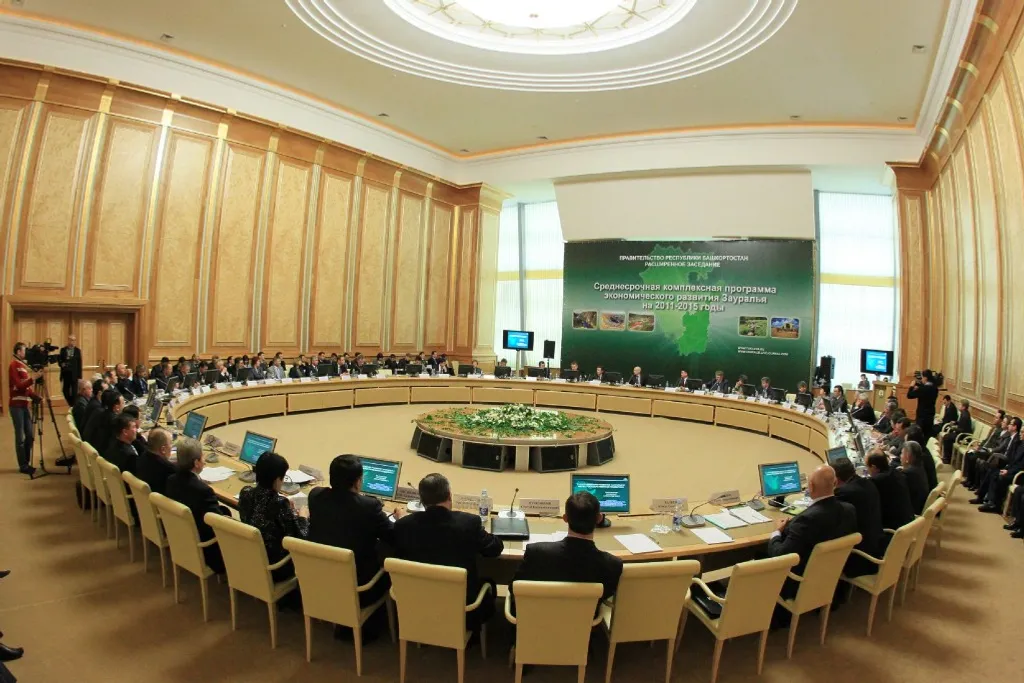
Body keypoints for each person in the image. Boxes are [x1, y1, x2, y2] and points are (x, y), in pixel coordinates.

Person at [392, 473, 503, 630]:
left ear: (421, 500)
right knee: (488, 583)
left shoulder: (404, 526)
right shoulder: (468, 523)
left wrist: (403, 519)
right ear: (450, 495)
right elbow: (495, 549)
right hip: (463, 612)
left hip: (417, 607)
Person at [307, 455, 404, 608]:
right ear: (358, 482)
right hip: (360, 590)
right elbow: (393, 536)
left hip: (320, 583)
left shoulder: (315, 495)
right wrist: (400, 519)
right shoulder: (369, 506)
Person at [510, 492, 623, 613]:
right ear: (599, 518)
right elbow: (605, 595)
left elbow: (514, 588)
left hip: (534, 619)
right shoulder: (613, 565)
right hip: (583, 622)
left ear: (565, 518)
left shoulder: (536, 553)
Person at [764, 465, 857, 599]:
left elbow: (781, 555)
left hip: (797, 584)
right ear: (835, 483)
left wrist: (776, 532)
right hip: (830, 578)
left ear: (811, 487)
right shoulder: (850, 510)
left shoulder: (806, 520)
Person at [238, 452, 308, 582]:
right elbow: (301, 537)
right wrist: (303, 517)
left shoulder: (245, 492)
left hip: (250, 558)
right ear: (277, 480)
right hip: (275, 567)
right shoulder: (279, 504)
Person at [165, 438, 230, 573]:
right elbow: (217, 524)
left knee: (225, 510)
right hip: (206, 549)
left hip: (181, 538)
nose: (204, 461)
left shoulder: (171, 480)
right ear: (196, 463)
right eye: (202, 458)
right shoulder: (203, 491)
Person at [832, 457, 883, 576]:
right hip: (876, 547)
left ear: (835, 478)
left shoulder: (844, 492)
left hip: (860, 557)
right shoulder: (868, 483)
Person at [976, 417, 1024, 514]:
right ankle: (986, 499)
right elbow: (1013, 460)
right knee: (992, 470)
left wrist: (1008, 470)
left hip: (1019, 474)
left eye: (1022, 432)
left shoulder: (1018, 442)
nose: (1020, 433)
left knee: (999, 476)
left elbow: (1020, 465)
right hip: (1011, 468)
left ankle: (996, 504)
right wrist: (1007, 468)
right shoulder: (1020, 443)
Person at [9, 342, 42, 476]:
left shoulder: (23, 366)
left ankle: (26, 462)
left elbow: (26, 389)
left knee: (29, 435)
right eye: (23, 350)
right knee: (20, 437)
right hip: (16, 406)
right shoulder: (13, 366)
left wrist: (35, 397)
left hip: (24, 405)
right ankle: (23, 465)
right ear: (18, 352)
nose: (25, 353)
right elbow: (18, 385)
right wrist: (32, 379)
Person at [865, 450, 914, 531]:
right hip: (909, 521)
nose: (867, 470)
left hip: (895, 529)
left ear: (874, 467)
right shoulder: (896, 471)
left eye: (867, 467)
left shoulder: (877, 481)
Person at [971, 416, 1021, 496]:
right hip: (1002, 460)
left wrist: (1007, 468)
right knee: (988, 467)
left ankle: (986, 497)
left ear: (1015, 427)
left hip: (1007, 464)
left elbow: (1013, 458)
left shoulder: (1017, 440)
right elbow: (1001, 448)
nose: (1008, 425)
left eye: (1010, 424)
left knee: (992, 470)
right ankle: (981, 494)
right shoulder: (1010, 437)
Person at [964, 413, 1009, 489]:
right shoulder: (993, 428)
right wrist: (979, 446)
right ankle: (969, 479)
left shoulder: (1001, 432)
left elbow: (994, 446)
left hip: (988, 452)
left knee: (975, 458)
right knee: (969, 453)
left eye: (997, 418)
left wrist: (982, 449)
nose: (994, 419)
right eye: (994, 417)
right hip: (984, 449)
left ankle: (973, 482)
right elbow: (986, 440)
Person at [82, 388, 124, 454]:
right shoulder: (114, 420)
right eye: (123, 403)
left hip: (91, 448)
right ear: (116, 407)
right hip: (102, 453)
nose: (124, 405)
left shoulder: (100, 412)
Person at [137, 427, 175, 495]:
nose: (172, 446)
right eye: (171, 443)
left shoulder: (143, 456)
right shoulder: (169, 469)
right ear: (163, 449)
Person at [907, 370, 941, 436]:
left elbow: (909, 395)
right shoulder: (935, 388)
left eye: (922, 377)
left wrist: (911, 386)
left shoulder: (923, 389)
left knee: (919, 435)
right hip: (930, 415)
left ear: (925, 378)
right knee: (927, 435)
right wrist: (919, 387)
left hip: (922, 416)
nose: (921, 379)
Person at [900, 441, 930, 515]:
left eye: (902, 453)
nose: (900, 456)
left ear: (907, 456)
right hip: (919, 504)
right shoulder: (919, 466)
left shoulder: (908, 473)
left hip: (912, 511)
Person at [941, 398, 973, 464]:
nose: (958, 406)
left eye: (960, 405)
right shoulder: (964, 413)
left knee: (947, 438)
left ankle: (948, 459)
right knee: (947, 436)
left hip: (964, 436)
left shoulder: (964, 415)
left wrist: (953, 428)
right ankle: (947, 457)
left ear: (964, 407)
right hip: (960, 434)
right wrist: (955, 422)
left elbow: (962, 429)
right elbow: (960, 424)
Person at [59, 334, 82, 406]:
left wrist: (80, 377)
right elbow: (60, 360)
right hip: (66, 374)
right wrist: (61, 364)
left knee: (74, 393)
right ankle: (71, 404)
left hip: (74, 375)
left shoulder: (77, 350)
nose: (73, 342)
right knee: (65, 391)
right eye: (71, 340)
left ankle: (73, 406)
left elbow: (79, 364)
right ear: (68, 340)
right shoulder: (63, 350)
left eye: (74, 340)